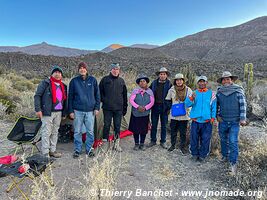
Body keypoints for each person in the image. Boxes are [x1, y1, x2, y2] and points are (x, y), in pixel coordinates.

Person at [216, 71, 247, 175]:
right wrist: (217, 115)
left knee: (233, 141)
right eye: (224, 79)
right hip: (223, 121)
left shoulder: (238, 90)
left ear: (232, 80)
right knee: (223, 139)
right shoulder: (219, 92)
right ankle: (225, 156)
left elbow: (243, 105)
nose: (226, 81)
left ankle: (233, 162)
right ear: (222, 81)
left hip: (234, 121)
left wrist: (242, 118)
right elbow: (217, 105)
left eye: (228, 79)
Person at [34, 66, 67, 158]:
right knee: (46, 132)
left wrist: (64, 113)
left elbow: (65, 100)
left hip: (58, 112)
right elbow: (37, 96)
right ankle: (45, 153)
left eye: (59, 73)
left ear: (61, 75)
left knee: (55, 132)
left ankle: (52, 150)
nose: (57, 74)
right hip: (47, 112)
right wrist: (38, 109)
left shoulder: (63, 86)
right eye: (55, 72)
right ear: (52, 74)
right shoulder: (45, 83)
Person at [68, 62, 100, 158]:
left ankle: (89, 149)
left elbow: (97, 95)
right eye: (80, 68)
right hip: (77, 110)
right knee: (77, 131)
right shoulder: (74, 81)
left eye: (84, 68)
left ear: (86, 70)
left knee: (90, 131)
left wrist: (97, 107)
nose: (82, 69)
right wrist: (70, 111)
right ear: (78, 70)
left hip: (90, 111)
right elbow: (70, 97)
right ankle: (77, 149)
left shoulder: (93, 80)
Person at [185, 75, 216, 162]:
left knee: (205, 139)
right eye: (200, 81)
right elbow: (187, 104)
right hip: (195, 121)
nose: (202, 83)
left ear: (206, 82)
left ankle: (203, 155)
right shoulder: (194, 93)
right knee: (194, 138)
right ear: (198, 83)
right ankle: (194, 154)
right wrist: (191, 98)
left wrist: (213, 118)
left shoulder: (211, 94)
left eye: (203, 81)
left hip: (207, 121)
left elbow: (214, 107)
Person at [99, 63, 128, 152]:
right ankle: (105, 144)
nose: (115, 71)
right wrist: (105, 100)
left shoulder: (121, 81)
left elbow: (124, 95)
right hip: (107, 108)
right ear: (111, 70)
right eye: (114, 69)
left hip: (118, 109)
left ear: (119, 71)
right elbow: (99, 93)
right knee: (106, 125)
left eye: (117, 69)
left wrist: (125, 107)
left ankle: (116, 144)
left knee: (117, 126)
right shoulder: (105, 80)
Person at [165, 73, 192, 154]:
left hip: (184, 115)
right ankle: (173, 145)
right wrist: (171, 108)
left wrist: (188, 108)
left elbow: (190, 101)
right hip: (174, 115)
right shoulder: (172, 89)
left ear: (183, 81)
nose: (179, 81)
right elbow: (167, 100)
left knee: (183, 132)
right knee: (173, 131)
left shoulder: (188, 90)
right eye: (177, 80)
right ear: (175, 81)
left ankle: (182, 147)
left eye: (180, 80)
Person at [129, 74, 155, 151]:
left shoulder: (150, 92)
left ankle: (142, 144)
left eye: (144, 81)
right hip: (136, 113)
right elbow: (131, 100)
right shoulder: (135, 91)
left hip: (145, 113)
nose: (142, 82)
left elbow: (152, 102)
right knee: (135, 129)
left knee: (143, 130)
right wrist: (137, 107)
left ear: (146, 82)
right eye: (140, 81)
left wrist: (145, 108)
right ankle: (136, 144)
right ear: (139, 83)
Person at [148, 67, 172, 149]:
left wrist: (168, 106)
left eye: (164, 74)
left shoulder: (169, 84)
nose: (162, 75)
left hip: (164, 107)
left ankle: (163, 141)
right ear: (159, 75)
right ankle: (153, 140)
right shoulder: (154, 83)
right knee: (154, 124)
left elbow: (172, 96)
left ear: (166, 75)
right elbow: (149, 92)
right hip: (155, 106)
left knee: (164, 125)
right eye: (161, 74)